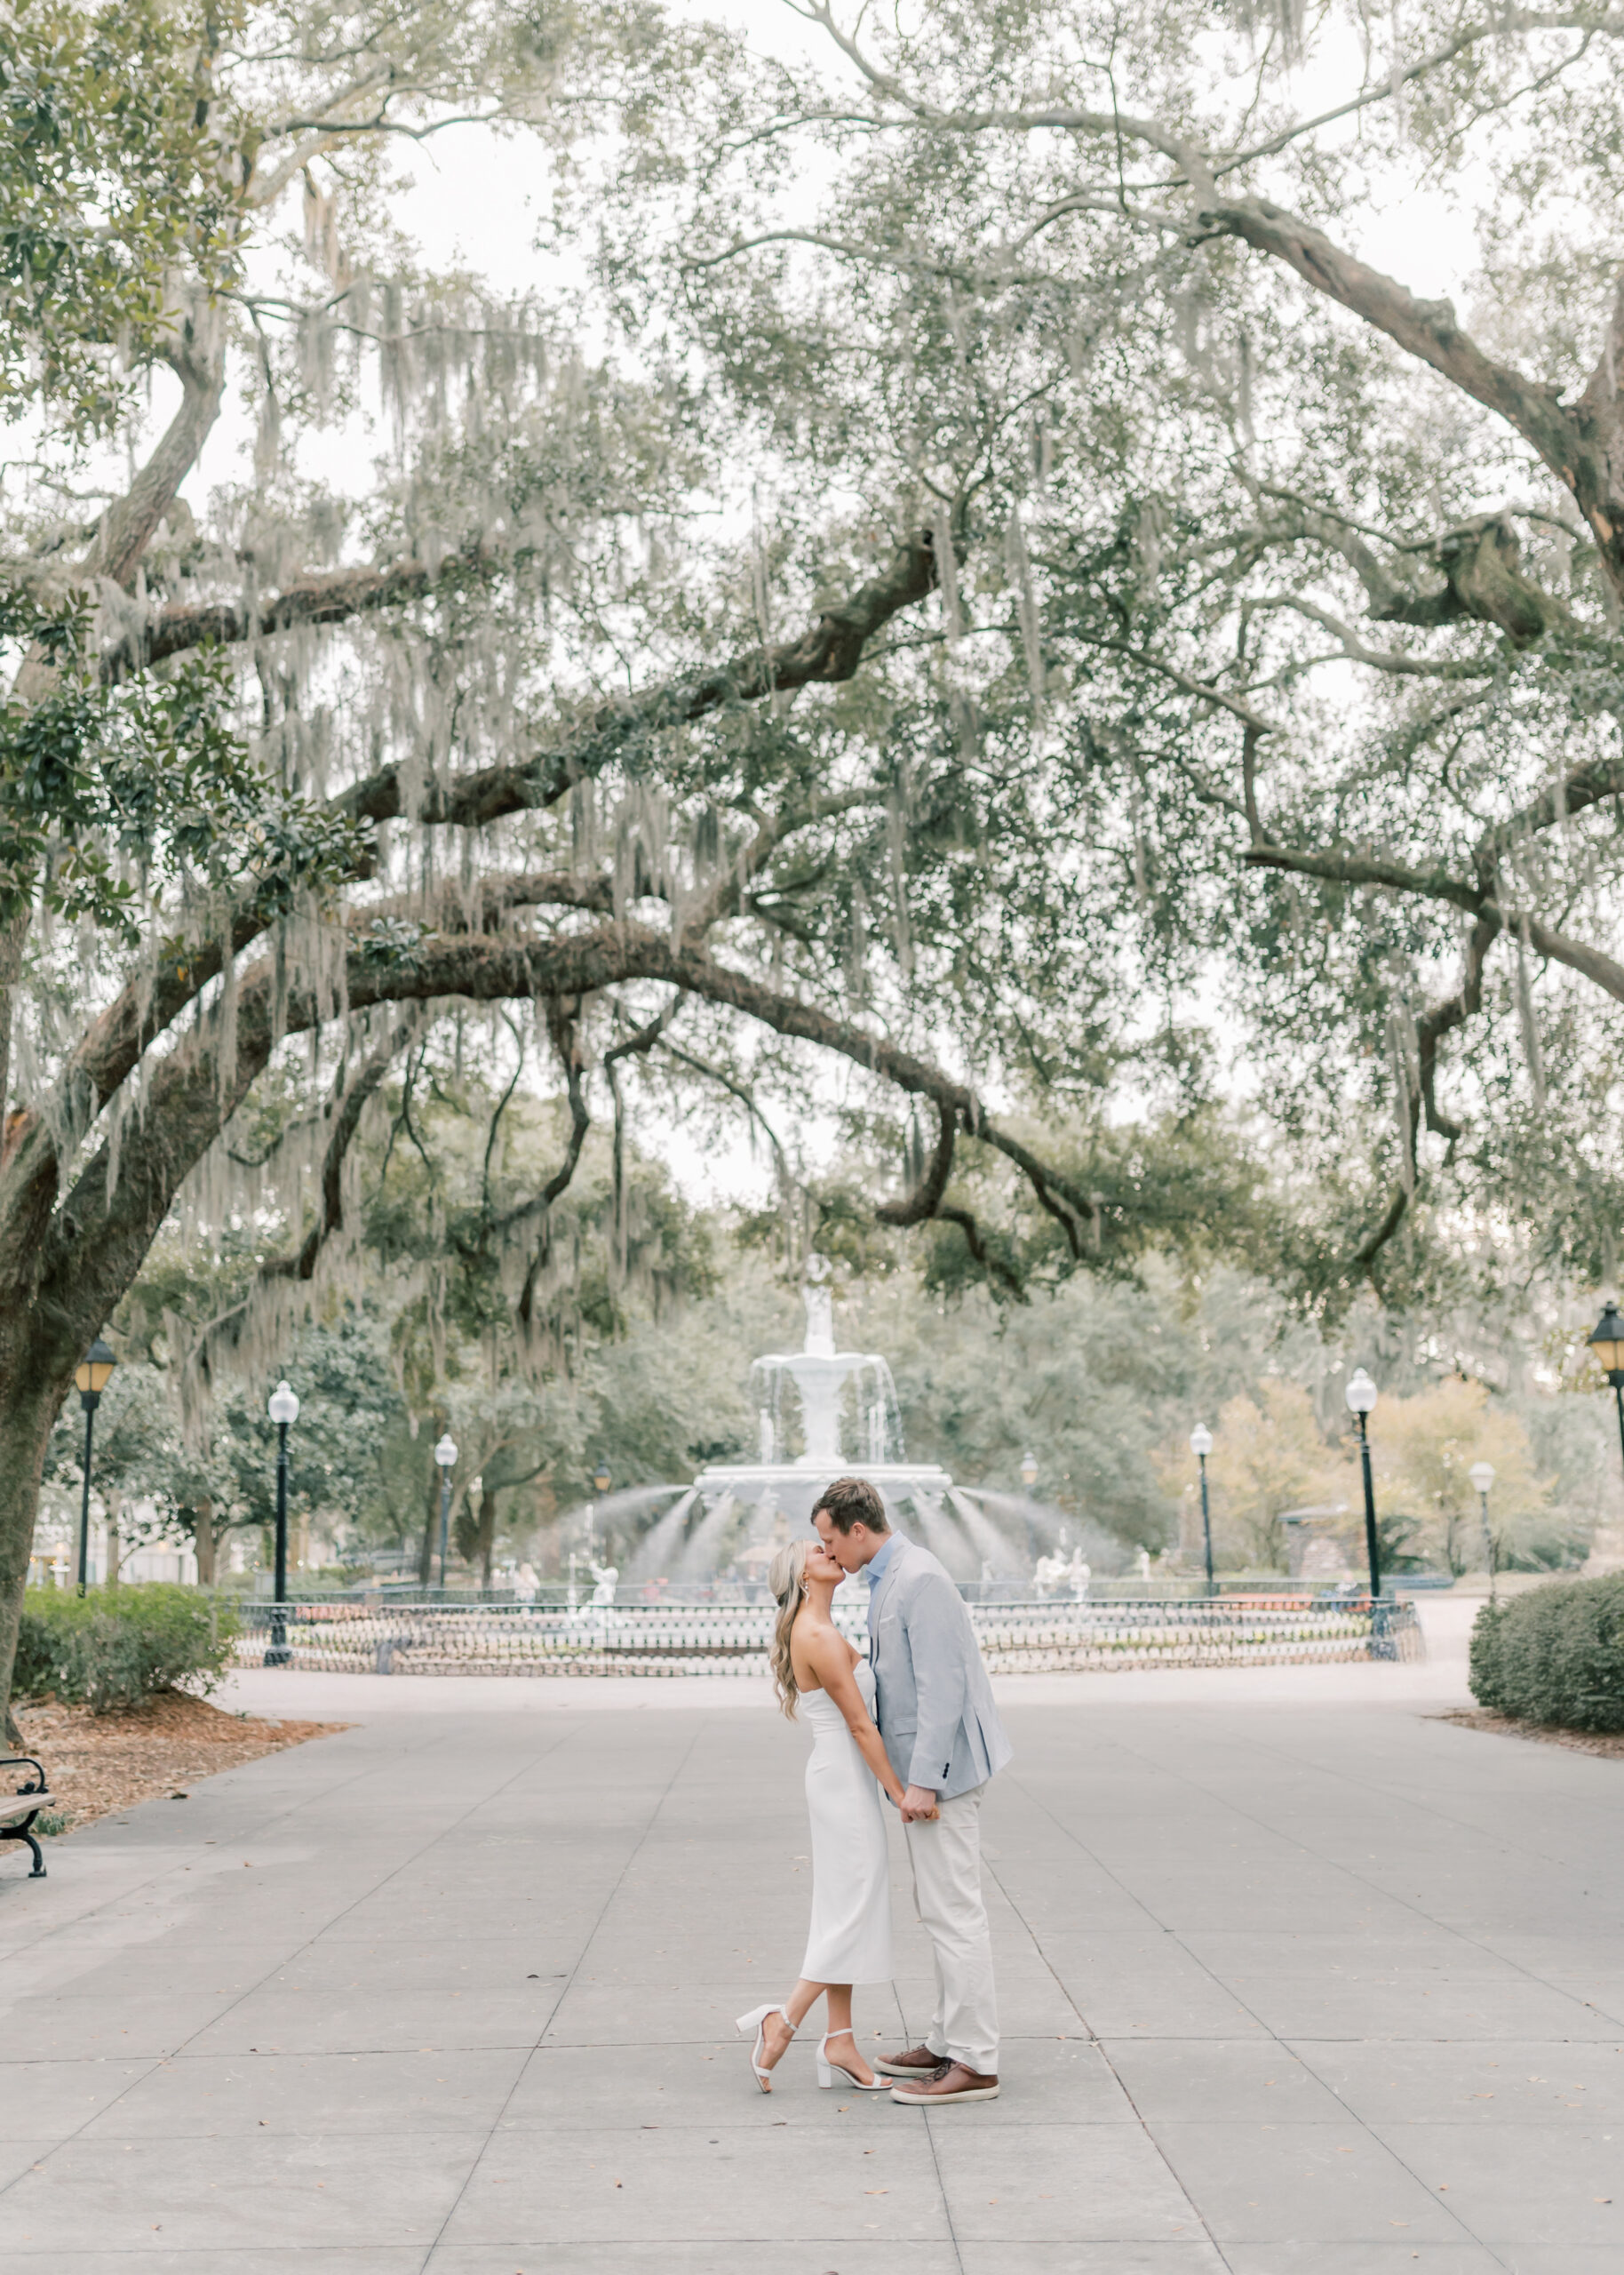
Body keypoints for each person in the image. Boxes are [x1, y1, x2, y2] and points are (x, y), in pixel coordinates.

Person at [813, 1475, 1013, 2105]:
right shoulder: (889, 1577)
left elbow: (943, 1687)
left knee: (955, 1914)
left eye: (830, 1540)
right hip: (929, 1778)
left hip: (944, 1778)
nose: (827, 1552)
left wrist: (922, 1782)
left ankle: (975, 2062)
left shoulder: (920, 1579)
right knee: (940, 1910)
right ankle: (948, 2039)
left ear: (858, 1530)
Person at [735, 1535, 906, 2095]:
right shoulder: (817, 1634)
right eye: (817, 1551)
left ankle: (841, 2040)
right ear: (803, 1576)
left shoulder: (818, 1628)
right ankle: (782, 2022)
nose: (829, 1551)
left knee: (843, 1907)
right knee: (853, 1906)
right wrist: (900, 1792)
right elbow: (860, 1724)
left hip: (841, 1778)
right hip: (844, 1783)